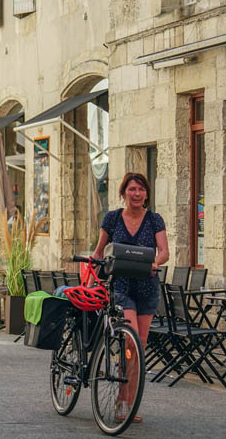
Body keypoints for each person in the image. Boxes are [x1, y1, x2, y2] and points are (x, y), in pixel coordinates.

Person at [91, 172, 169, 423]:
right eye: (132, 189)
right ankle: (123, 398)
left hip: (147, 287)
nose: (137, 194)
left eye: (141, 189)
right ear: (123, 193)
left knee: (139, 348)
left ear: (146, 194)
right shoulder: (113, 218)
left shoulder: (155, 220)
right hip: (121, 287)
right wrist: (90, 280)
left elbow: (165, 251)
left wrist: (155, 262)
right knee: (129, 341)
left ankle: (125, 400)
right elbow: (99, 251)